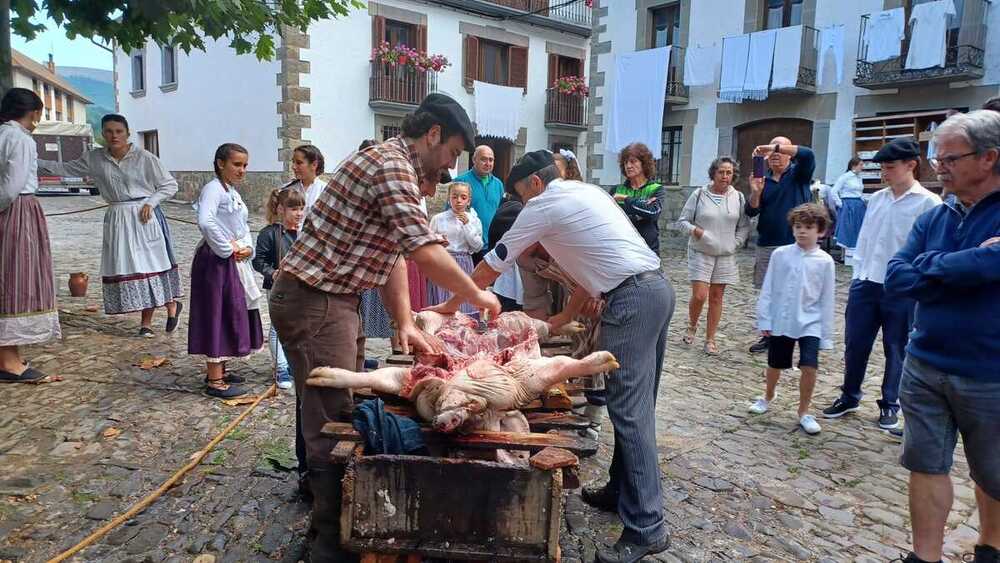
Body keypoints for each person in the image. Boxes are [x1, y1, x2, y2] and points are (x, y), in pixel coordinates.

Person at [268, 93, 499, 562]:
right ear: (432, 135)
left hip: (335, 299)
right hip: (315, 297)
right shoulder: (390, 163)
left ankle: (331, 508)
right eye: (452, 152)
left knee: (336, 402)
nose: (450, 164)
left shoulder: (399, 169)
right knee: (331, 418)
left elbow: (394, 253)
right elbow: (421, 248)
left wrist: (404, 320)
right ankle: (330, 542)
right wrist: (476, 295)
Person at [432, 150, 674, 563]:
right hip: (655, 289)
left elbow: (491, 265)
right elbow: (589, 270)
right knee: (636, 407)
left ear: (535, 185)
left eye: (523, 195)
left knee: (630, 412)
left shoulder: (544, 205)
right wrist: (562, 317)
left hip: (632, 301)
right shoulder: (587, 193)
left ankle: (647, 527)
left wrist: (449, 308)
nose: (524, 204)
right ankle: (622, 490)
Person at [885, 110, 1000, 563]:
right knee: (925, 465)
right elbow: (897, 276)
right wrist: (972, 263)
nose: (938, 166)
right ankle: (924, 556)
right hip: (926, 362)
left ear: (989, 158)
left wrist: (930, 270)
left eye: (949, 158)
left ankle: (991, 547)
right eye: (936, 157)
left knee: (992, 471)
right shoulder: (938, 214)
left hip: (989, 370)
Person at [821, 138, 941, 430]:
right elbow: (866, 238)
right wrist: (858, 273)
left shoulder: (928, 203)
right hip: (866, 282)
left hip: (902, 288)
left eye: (889, 167)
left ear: (910, 165)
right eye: (882, 167)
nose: (884, 173)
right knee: (855, 343)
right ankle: (850, 395)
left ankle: (890, 404)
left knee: (896, 347)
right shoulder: (876, 199)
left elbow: (928, 249)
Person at [38, 114, 182, 337]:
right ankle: (170, 303)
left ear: (127, 133)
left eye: (118, 131)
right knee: (129, 268)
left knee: (148, 267)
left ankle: (147, 323)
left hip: (143, 216)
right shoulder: (95, 158)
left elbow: (169, 185)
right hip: (117, 217)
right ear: (103, 134)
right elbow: (64, 168)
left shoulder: (144, 158)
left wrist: (151, 203)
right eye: (108, 131)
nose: (114, 136)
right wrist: (30, 161)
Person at [747, 203, 835, 435]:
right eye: (798, 226)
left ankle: (804, 411)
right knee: (775, 363)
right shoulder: (781, 255)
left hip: (811, 323)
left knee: (809, 366)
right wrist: (765, 320)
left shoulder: (825, 261)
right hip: (783, 320)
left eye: (808, 227)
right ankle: (767, 395)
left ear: (821, 231)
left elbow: (827, 298)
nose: (802, 231)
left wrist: (826, 335)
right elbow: (769, 288)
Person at [187, 143, 264, 399]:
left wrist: (247, 248)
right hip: (215, 264)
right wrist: (227, 249)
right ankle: (214, 379)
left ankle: (221, 366)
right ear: (221, 163)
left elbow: (242, 225)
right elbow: (205, 221)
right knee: (217, 313)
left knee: (231, 310)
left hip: (230, 260)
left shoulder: (229, 191)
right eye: (237, 164)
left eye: (245, 165)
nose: (242, 170)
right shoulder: (212, 189)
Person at [0, 88, 61, 382]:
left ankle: (9, 353)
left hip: (12, 210)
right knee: (17, 277)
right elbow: (12, 186)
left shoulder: (3, 134)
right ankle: (8, 360)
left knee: (9, 276)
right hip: (17, 211)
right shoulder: (19, 138)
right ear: (34, 112)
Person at [745, 137, 815, 353]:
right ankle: (770, 336)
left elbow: (808, 154)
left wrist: (773, 146)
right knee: (769, 293)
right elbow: (751, 211)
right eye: (772, 151)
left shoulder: (799, 174)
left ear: (788, 153)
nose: (775, 154)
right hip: (767, 244)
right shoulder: (762, 179)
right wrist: (756, 192)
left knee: (794, 291)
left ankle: (792, 335)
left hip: (795, 245)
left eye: (780, 149)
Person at [676, 156, 750, 355]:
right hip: (701, 250)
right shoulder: (699, 194)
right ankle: (692, 324)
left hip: (725, 254)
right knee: (700, 295)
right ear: (713, 173)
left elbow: (744, 226)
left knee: (717, 297)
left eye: (729, 172)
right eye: (721, 172)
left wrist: (736, 243)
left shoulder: (739, 197)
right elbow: (682, 222)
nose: (725, 176)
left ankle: (710, 339)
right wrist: (698, 232)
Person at [254, 187, 306, 391]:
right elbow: (258, 261)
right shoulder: (269, 233)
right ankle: (281, 368)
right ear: (281, 210)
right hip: (278, 287)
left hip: (300, 287)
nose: (299, 213)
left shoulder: (302, 233)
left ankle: (292, 363)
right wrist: (273, 272)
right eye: (294, 209)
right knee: (278, 326)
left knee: (297, 325)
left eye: (301, 208)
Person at [426, 182, 483, 316]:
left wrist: (467, 225)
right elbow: (428, 241)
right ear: (449, 198)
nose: (458, 201)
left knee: (462, 302)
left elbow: (477, 246)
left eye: (463, 197)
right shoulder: (438, 219)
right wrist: (439, 242)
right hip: (443, 262)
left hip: (464, 262)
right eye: (455, 197)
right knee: (443, 298)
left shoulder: (474, 220)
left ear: (468, 201)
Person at [611, 142, 665, 255]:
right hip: (622, 251)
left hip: (648, 252)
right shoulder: (616, 190)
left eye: (633, 161)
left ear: (644, 163)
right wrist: (641, 206)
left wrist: (625, 198)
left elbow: (652, 212)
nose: (628, 166)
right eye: (625, 162)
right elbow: (610, 217)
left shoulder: (655, 189)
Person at [455, 145, 504, 262]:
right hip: (467, 248)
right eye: (483, 159)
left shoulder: (498, 184)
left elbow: (501, 213)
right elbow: (452, 213)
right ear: (474, 160)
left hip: (492, 247)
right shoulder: (461, 182)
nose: (488, 163)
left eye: (491, 160)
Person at [830, 157, 867, 264]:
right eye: (861, 165)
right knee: (848, 228)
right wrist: (840, 204)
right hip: (848, 205)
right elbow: (834, 191)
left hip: (859, 205)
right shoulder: (845, 177)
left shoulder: (859, 177)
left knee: (858, 228)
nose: (862, 167)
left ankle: (857, 255)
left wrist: (863, 201)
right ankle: (846, 256)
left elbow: (859, 192)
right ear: (854, 165)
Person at [284, 144, 326, 218]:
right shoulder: (286, 190)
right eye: (293, 162)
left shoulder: (325, 191)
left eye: (299, 163)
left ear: (314, 165)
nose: (293, 167)